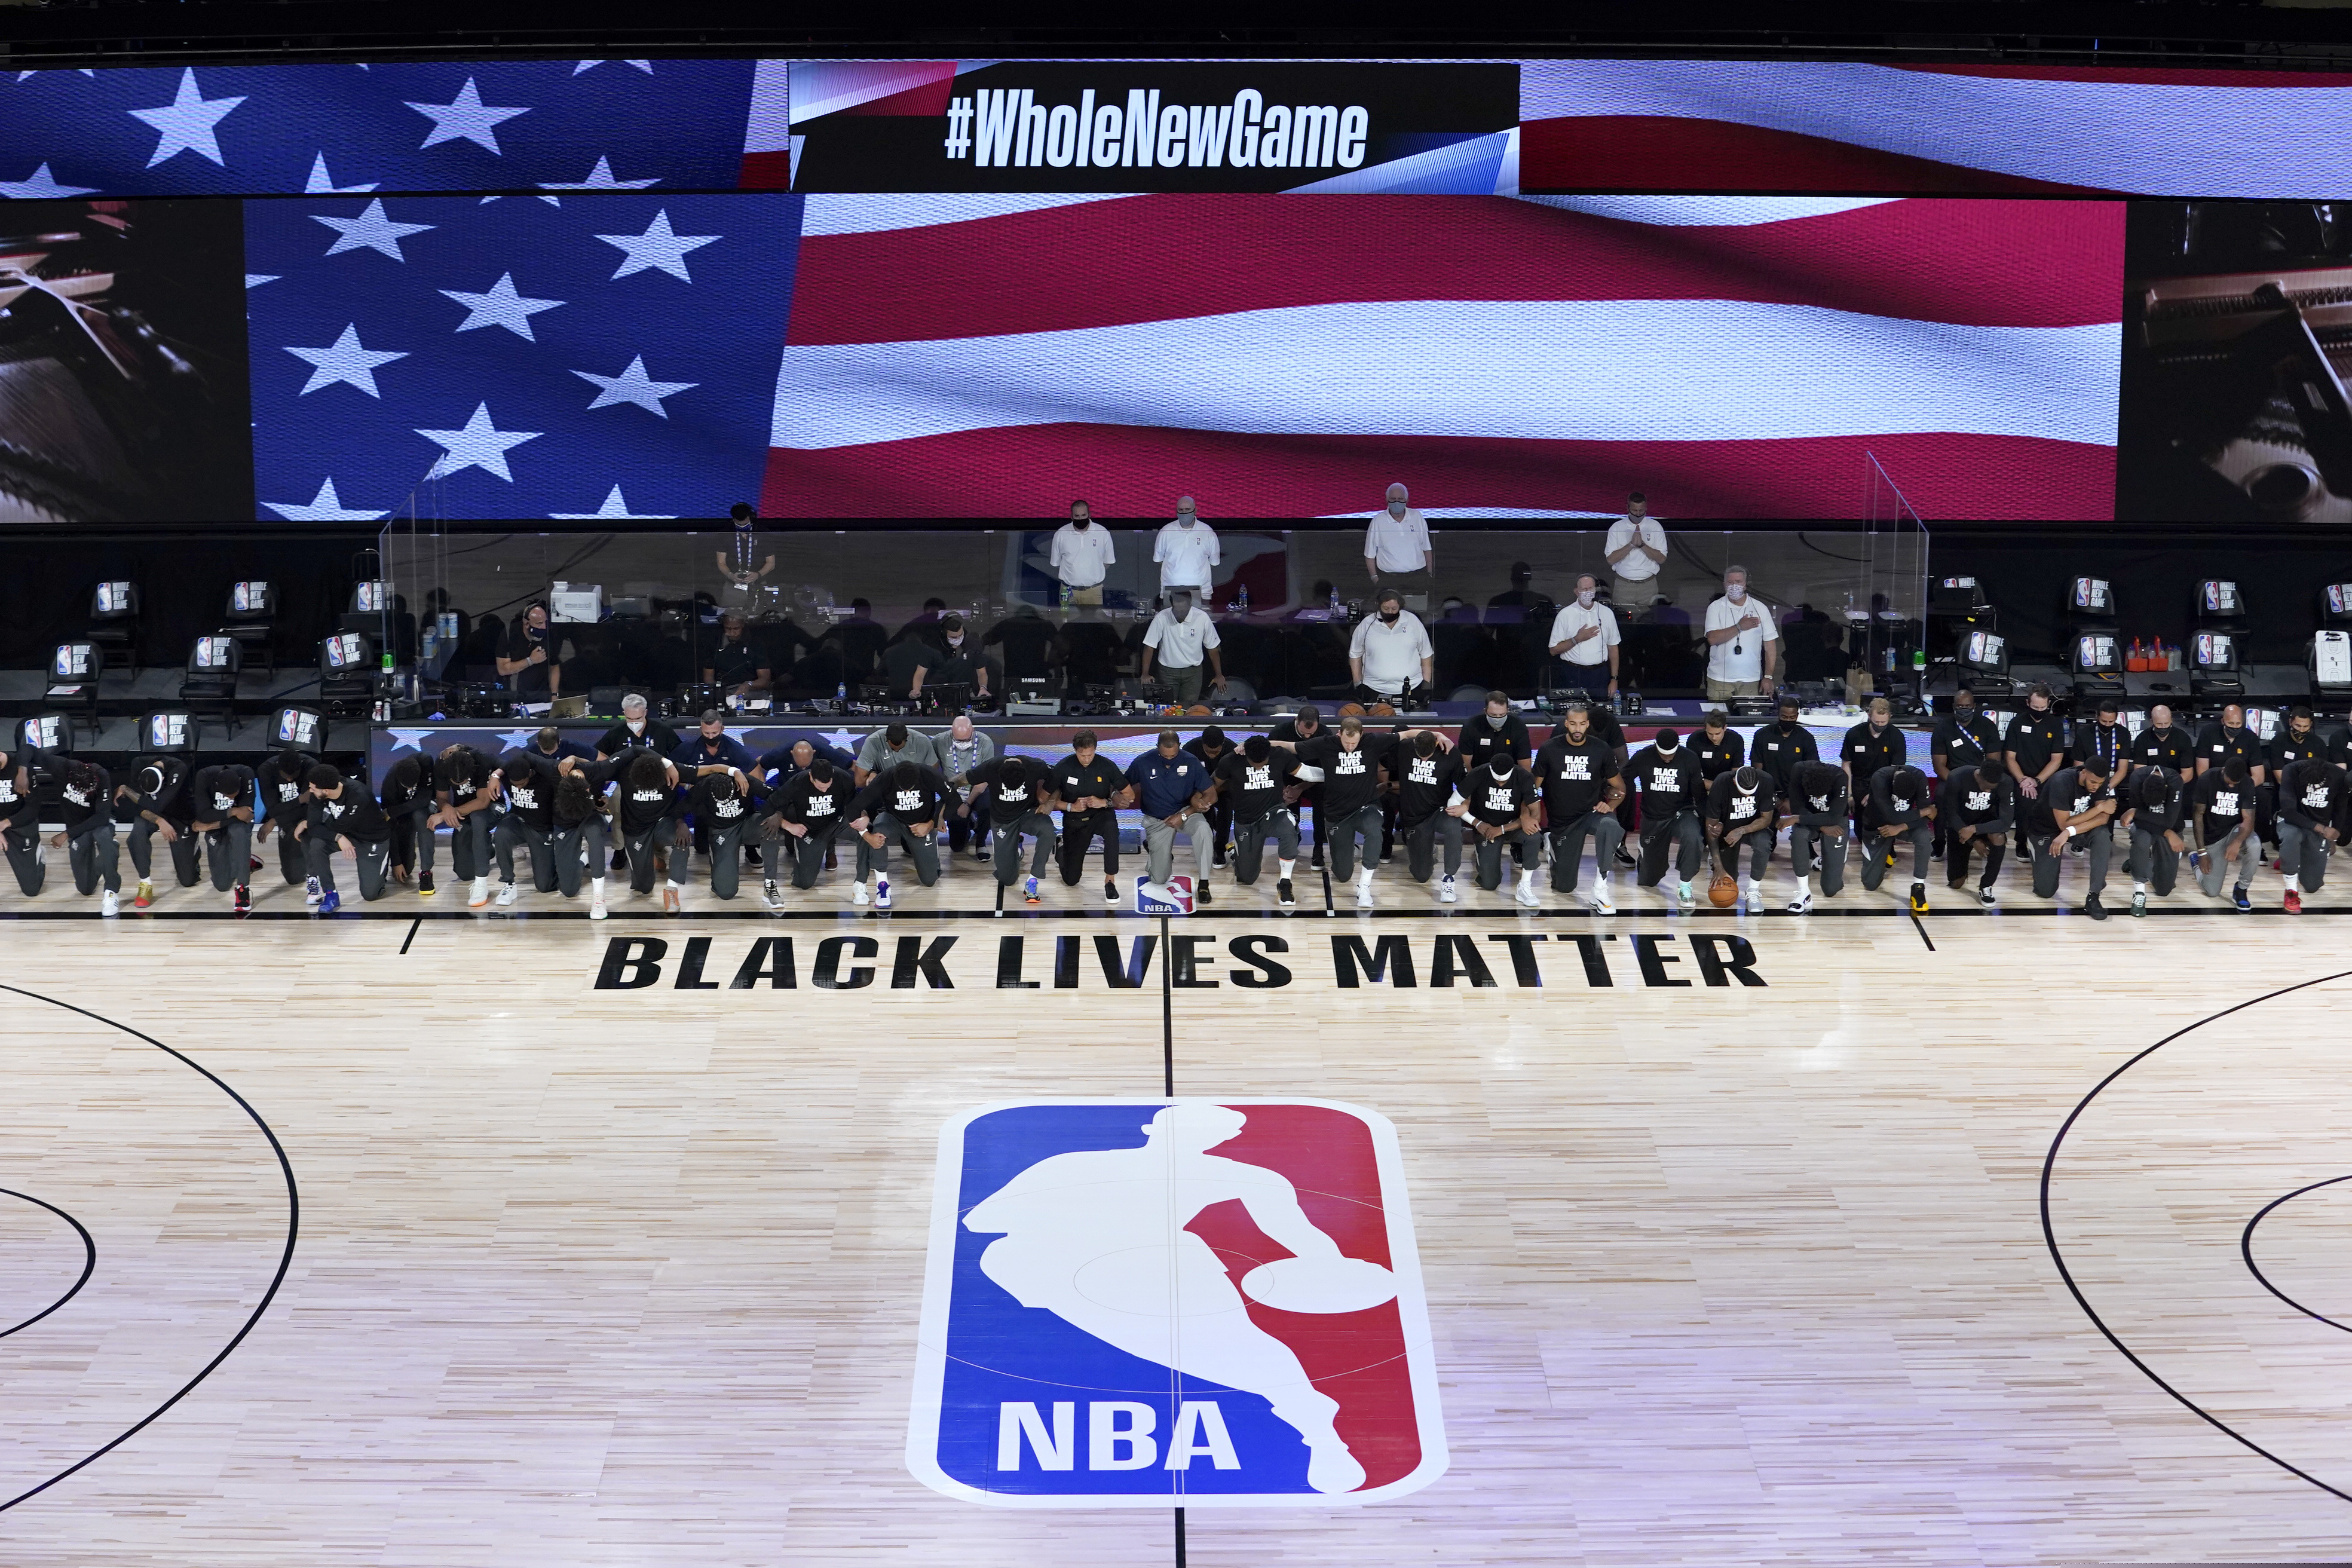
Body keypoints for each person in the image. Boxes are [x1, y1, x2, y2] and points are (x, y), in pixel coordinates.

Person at [1279, 713, 1395, 907]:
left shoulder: (1372, 742)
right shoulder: (1326, 744)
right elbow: (1291, 746)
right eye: (1347, 743)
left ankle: (1364, 887)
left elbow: (1407, 735)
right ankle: (1348, 850)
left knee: (1375, 831)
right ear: (1339, 734)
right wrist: (1254, 745)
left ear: (1361, 735)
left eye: (1354, 743)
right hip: (1337, 815)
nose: (1350, 747)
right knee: (1342, 875)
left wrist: (1438, 736)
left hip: (1366, 806)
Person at [1534, 699, 1625, 913]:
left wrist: (1610, 805)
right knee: (1564, 888)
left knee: (1611, 827)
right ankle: (1553, 848)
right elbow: (1532, 787)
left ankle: (1600, 887)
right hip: (1564, 821)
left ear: (1588, 724)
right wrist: (1532, 814)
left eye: (1582, 724)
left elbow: (1620, 788)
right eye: (1573, 724)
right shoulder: (1550, 749)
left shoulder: (1600, 749)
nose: (1577, 729)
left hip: (1591, 813)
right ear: (1566, 724)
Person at [1125, 730, 1218, 905]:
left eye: (1174, 755)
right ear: (1157, 748)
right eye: (1165, 755)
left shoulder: (1191, 761)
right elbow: (1123, 784)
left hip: (1185, 812)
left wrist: (1189, 812)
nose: (1169, 759)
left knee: (1204, 830)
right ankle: (1155, 852)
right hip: (1157, 819)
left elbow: (1212, 795)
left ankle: (1204, 883)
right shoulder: (1143, 762)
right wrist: (1118, 796)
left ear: (1179, 747)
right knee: (1159, 880)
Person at [846, 760, 947, 908]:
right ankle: (883, 887)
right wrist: (867, 835)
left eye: (910, 789)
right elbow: (854, 807)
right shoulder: (886, 777)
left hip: (921, 824)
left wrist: (932, 823)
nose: (907, 792)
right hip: (893, 819)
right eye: (903, 789)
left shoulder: (929, 774)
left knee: (930, 880)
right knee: (878, 833)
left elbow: (953, 799)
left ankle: (931, 847)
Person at [2025, 755, 2117, 918]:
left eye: (2100, 784)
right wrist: (2099, 808)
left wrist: (2069, 833)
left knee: (2103, 836)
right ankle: (2033, 847)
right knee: (2046, 891)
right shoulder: (2062, 781)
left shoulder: (2101, 780)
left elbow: (2104, 819)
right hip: (2046, 829)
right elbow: (2064, 824)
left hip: (2072, 829)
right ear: (2083, 773)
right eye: (2093, 782)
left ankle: (2094, 896)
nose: (2096, 787)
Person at [1215, 735, 1301, 907]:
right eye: (1256, 764)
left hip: (1273, 812)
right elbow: (1213, 785)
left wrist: (1329, 775)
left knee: (1288, 830)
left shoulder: (1280, 755)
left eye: (1263, 763)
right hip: (1246, 820)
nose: (1260, 767)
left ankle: (1285, 883)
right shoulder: (1230, 761)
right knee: (1247, 878)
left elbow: (1304, 771)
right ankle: (1235, 852)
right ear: (1247, 756)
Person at [30, 751, 120, 915]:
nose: (87, 795)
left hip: (98, 822)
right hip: (78, 826)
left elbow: (101, 817)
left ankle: (111, 892)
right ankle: (105, 858)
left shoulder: (101, 775)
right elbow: (29, 749)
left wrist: (66, 834)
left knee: (105, 839)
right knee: (85, 888)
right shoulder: (60, 766)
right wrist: (22, 770)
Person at [964, 753, 1058, 904]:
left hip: (1028, 813)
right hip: (1003, 821)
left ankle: (1033, 881)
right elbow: (965, 778)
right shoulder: (991, 766)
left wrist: (1051, 801)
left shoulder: (1036, 765)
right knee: (1007, 879)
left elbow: (1058, 778)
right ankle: (1016, 847)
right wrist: (949, 785)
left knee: (1048, 831)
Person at [759, 754, 855, 898]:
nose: (824, 791)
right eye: (820, 787)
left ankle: (865, 882)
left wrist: (863, 818)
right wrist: (788, 825)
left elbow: (855, 804)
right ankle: (802, 859)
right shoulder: (798, 782)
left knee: (869, 832)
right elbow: (769, 806)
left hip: (837, 823)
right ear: (811, 777)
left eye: (827, 786)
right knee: (805, 883)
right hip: (810, 830)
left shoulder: (843, 777)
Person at [302, 765, 393, 912]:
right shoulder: (319, 794)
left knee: (370, 895)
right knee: (316, 842)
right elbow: (314, 827)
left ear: (326, 791)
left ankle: (381, 868)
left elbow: (339, 825)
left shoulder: (358, 794)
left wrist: (336, 834)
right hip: (345, 834)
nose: (310, 790)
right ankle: (330, 894)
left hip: (372, 839)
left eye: (313, 788)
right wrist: (338, 837)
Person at [1630, 726, 1704, 905]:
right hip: (1654, 816)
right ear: (1656, 746)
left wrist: (1707, 820)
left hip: (1682, 812)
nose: (1668, 758)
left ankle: (1685, 886)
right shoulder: (1642, 756)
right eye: (1664, 755)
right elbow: (1622, 779)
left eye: (1671, 754)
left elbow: (1699, 793)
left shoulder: (1690, 758)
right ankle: (1645, 853)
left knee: (1693, 837)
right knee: (1649, 881)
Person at [1051, 730, 1127, 902]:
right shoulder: (1064, 767)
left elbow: (1129, 795)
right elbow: (1043, 799)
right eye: (1081, 755)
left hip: (1100, 816)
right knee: (1071, 881)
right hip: (1074, 821)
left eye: (1090, 755)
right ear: (1075, 750)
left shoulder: (1106, 765)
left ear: (1096, 749)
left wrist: (1106, 802)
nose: (1086, 759)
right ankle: (1061, 849)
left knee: (1112, 829)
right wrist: (1070, 806)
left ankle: (1110, 881)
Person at [1930, 690, 2003, 862]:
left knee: (1997, 794)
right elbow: (1939, 766)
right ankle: (1940, 842)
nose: (1964, 709)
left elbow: (1994, 762)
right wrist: (1958, 784)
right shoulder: (1943, 728)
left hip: (1981, 779)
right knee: (1940, 796)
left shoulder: (1987, 726)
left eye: (1968, 706)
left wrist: (1981, 783)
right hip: (1952, 778)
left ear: (1974, 707)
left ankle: (1988, 838)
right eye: (1960, 706)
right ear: (1954, 707)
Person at [427, 743, 504, 908]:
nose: (460, 785)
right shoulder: (442, 763)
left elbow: (483, 802)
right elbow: (442, 798)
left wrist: (446, 814)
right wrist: (446, 808)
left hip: (491, 808)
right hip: (463, 812)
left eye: (464, 781)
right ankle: (488, 846)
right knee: (464, 873)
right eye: (456, 782)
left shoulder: (482, 760)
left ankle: (481, 884)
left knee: (478, 818)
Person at [1462, 749, 1542, 906]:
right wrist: (1477, 823)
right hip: (1486, 828)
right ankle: (1485, 858)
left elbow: (1536, 815)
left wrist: (1508, 826)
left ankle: (1525, 886)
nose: (1500, 785)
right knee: (1489, 884)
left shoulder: (1524, 776)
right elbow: (1461, 802)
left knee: (1534, 835)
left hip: (1512, 826)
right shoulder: (1478, 774)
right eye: (1497, 781)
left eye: (1504, 782)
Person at [117, 755, 196, 907]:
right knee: (136, 834)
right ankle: (145, 883)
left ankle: (194, 853)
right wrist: (159, 821)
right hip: (156, 814)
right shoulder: (138, 764)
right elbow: (139, 806)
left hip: (180, 814)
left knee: (187, 880)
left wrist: (126, 790)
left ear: (164, 778)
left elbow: (157, 805)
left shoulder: (179, 768)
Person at [680, 764, 765, 904]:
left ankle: (770, 883)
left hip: (745, 824)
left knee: (771, 826)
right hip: (722, 831)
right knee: (726, 892)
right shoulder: (706, 785)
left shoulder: (746, 780)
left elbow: (774, 796)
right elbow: (682, 808)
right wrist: (681, 823)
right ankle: (718, 860)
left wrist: (778, 817)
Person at [489, 746, 563, 907]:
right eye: (516, 785)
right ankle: (509, 884)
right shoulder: (507, 773)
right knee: (501, 834)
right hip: (519, 821)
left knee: (545, 887)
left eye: (522, 784)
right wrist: (495, 776)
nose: (520, 788)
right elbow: (486, 756)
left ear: (530, 774)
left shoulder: (547, 777)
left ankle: (578, 859)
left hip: (542, 830)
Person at [1858, 762, 1936, 913]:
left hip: (1901, 826)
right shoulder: (1880, 777)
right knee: (1870, 884)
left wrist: (1901, 827)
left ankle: (1918, 888)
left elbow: (1930, 817)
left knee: (1924, 837)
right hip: (1878, 827)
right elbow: (1891, 816)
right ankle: (1884, 853)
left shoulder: (1919, 777)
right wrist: (1922, 812)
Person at [2274, 750, 2345, 914]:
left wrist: (2333, 837)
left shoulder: (2339, 776)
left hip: (2319, 827)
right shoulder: (2291, 770)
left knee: (2312, 886)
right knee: (2292, 836)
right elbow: (2289, 811)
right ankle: (2291, 892)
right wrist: (2321, 829)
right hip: (2292, 822)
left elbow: (2341, 808)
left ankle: (2288, 858)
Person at [1702, 763, 1777, 914]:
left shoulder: (1766, 780)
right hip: (1727, 830)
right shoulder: (1722, 782)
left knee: (1763, 843)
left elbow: (1766, 819)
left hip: (1753, 827)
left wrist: (1742, 830)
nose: (1748, 796)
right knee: (1728, 879)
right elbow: (1711, 828)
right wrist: (1718, 866)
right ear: (1735, 782)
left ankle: (1753, 892)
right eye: (1744, 793)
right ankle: (1716, 860)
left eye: (1751, 793)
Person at [546, 760, 615, 918]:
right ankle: (583, 859)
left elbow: (628, 755)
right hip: (566, 824)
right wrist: (496, 774)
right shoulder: (552, 770)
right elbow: (526, 756)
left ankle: (598, 898)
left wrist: (575, 757)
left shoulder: (595, 769)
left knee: (593, 832)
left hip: (592, 818)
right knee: (569, 891)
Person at [186, 758, 258, 912]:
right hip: (218, 825)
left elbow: (246, 816)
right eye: (228, 795)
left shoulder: (246, 773)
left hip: (232, 825)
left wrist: (211, 824)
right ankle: (244, 859)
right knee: (222, 885)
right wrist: (233, 811)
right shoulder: (204, 777)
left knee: (238, 832)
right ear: (217, 788)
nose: (232, 798)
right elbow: (203, 815)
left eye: (235, 795)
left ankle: (243, 890)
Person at [1780, 758, 1851, 914]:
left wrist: (1798, 819)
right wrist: (1821, 827)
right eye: (1814, 796)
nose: (1818, 800)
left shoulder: (1840, 777)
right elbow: (1799, 808)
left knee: (1831, 889)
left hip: (1835, 823)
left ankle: (1824, 861)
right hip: (1812, 818)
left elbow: (1834, 816)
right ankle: (1803, 892)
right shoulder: (1798, 770)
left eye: (1821, 796)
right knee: (1799, 835)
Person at [1941, 760, 2014, 906]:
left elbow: (2006, 822)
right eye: (1986, 787)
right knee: (1956, 883)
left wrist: (1975, 829)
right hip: (1960, 826)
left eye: (1992, 789)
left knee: (1998, 837)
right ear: (1979, 776)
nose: (1988, 791)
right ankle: (1961, 870)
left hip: (1986, 825)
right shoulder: (1957, 777)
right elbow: (1950, 814)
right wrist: (1973, 841)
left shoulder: (2005, 782)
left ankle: (1986, 886)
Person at [2189, 757, 2258, 908]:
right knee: (2212, 892)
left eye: (2235, 784)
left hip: (2235, 830)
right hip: (2214, 835)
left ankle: (2241, 889)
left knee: (2255, 845)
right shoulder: (2207, 779)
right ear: (2223, 771)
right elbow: (2198, 816)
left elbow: (2248, 819)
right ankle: (2195, 861)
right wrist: (2201, 852)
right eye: (2229, 782)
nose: (2232, 786)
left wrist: (2237, 842)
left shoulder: (2247, 782)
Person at [1701, 566, 1777, 702]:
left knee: (1748, 721)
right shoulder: (1716, 608)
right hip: (1720, 680)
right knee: (1718, 720)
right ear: (1724, 585)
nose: (1734, 586)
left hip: (1751, 681)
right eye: (1730, 583)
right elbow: (1712, 639)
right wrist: (1740, 626)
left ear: (1745, 585)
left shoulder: (1760, 608)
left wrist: (1768, 677)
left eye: (1738, 582)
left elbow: (1770, 646)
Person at [1269, 706, 1331, 867]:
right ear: (1296, 721)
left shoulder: (1326, 734)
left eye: (1311, 734)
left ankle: (1319, 848)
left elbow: (1327, 772)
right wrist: (1283, 788)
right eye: (1303, 733)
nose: (1307, 736)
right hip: (1285, 781)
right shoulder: (1279, 732)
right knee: (1288, 809)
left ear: (1319, 723)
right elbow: (1270, 766)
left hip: (1314, 782)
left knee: (1323, 796)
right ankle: (1292, 843)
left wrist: (1301, 788)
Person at [1140, 590, 1225, 706]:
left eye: (1184, 611)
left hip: (1193, 673)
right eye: (1177, 611)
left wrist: (1219, 675)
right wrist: (1145, 673)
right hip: (1167, 672)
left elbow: (1213, 648)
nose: (1180, 614)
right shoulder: (1162, 617)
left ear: (1190, 605)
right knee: (1167, 708)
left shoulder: (1202, 617)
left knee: (1188, 708)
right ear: (1172, 606)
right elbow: (1149, 646)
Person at [2123, 762, 2186, 917]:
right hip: (2147, 829)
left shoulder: (2175, 781)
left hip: (2170, 829)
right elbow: (2137, 822)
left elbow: (2169, 821)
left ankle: (2137, 861)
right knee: (2141, 840)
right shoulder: (2137, 778)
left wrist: (2136, 811)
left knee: (2164, 890)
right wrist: (2167, 832)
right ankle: (2139, 893)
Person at [1349, 590, 1433, 706]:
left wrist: (1426, 684)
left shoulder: (1413, 621)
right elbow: (1355, 654)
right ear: (1379, 607)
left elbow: (1426, 654)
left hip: (1412, 688)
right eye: (1386, 609)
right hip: (1373, 689)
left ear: (1400, 607)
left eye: (1394, 609)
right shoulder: (1367, 624)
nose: (1390, 612)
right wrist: (1358, 683)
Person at [255, 747, 319, 895]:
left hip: (305, 817)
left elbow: (309, 808)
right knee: (293, 878)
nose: (290, 779)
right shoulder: (266, 770)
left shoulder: (312, 767)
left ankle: (314, 874)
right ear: (279, 769)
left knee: (309, 828)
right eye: (286, 776)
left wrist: (274, 821)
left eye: (293, 776)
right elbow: (273, 810)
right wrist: (300, 799)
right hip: (287, 819)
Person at [1546, 574, 1622, 697]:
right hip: (1573, 674)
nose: (1588, 593)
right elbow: (1553, 650)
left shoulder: (1607, 613)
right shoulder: (1566, 615)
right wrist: (1577, 639)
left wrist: (1614, 679)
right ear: (1577, 591)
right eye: (1584, 589)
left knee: (1599, 711)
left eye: (1591, 589)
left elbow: (1613, 648)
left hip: (1600, 675)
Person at [936, 716, 997, 860]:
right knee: (957, 847)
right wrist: (940, 814)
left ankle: (981, 843)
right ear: (951, 732)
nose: (962, 743)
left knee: (988, 804)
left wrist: (968, 804)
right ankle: (970, 823)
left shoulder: (985, 742)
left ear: (973, 731)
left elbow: (986, 777)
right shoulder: (939, 741)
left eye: (966, 740)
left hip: (979, 788)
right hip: (954, 792)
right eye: (958, 740)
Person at [1363, 483, 1434, 609]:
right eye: (1393, 499)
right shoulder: (1378, 521)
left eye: (1400, 499)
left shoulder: (1417, 517)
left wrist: (1429, 574)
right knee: (1389, 614)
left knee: (1419, 614)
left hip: (1417, 577)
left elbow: (1427, 548)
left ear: (1407, 500)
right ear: (1387, 500)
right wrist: (1375, 578)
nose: (1397, 502)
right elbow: (1370, 554)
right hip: (1389, 580)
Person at [379, 752, 439, 895]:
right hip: (402, 816)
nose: (411, 789)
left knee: (422, 818)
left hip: (424, 807)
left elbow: (423, 800)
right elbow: (389, 823)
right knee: (405, 868)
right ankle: (405, 853)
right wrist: (396, 862)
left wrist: (393, 811)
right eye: (407, 787)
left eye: (414, 786)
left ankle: (426, 873)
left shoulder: (425, 762)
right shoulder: (389, 783)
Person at [2004, 682, 2068, 815]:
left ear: (2048, 705)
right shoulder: (2016, 723)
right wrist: (2022, 780)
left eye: (2042, 708)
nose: (2039, 711)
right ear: (2028, 703)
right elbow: (2010, 757)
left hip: (2045, 779)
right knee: (2024, 802)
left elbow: (2056, 760)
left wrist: (2037, 781)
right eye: (2035, 707)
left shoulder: (2055, 725)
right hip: (2020, 777)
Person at [1183, 727, 1238, 864]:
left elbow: (1234, 779)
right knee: (1205, 816)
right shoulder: (1190, 749)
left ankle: (1219, 850)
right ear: (1203, 744)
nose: (1212, 755)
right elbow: (1185, 778)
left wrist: (1211, 794)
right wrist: (1198, 797)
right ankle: (1207, 847)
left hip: (1223, 790)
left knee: (1226, 812)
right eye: (1208, 752)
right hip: (1198, 792)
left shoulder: (1233, 751)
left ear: (1223, 744)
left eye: (1216, 752)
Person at [1751, 693, 1820, 803]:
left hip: (1798, 796)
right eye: (1784, 717)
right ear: (1778, 714)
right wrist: (1772, 797)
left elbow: (1811, 772)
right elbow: (1758, 770)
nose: (1788, 720)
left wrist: (1792, 798)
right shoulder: (1762, 735)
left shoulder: (1807, 738)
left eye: (1792, 718)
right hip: (1767, 795)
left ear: (1797, 716)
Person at [1840, 696, 1906, 806]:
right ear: (1869, 716)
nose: (1879, 725)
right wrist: (1849, 795)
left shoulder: (1897, 737)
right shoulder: (1854, 734)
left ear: (1890, 717)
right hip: (1859, 787)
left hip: (1884, 788)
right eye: (1876, 722)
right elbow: (1846, 765)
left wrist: (1877, 793)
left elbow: (1895, 770)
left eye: (1883, 722)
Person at [1048, 500, 1115, 608]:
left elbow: (1108, 562)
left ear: (1089, 514)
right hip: (1068, 591)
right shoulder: (1061, 534)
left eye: (1083, 515)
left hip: (1094, 591)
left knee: (1095, 625)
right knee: (1066, 624)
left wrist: (1092, 575)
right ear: (1072, 516)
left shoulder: (1102, 533)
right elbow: (1056, 563)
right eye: (1077, 516)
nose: (1080, 519)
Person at [1154, 497, 1221, 602]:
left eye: (1187, 509)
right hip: (1171, 592)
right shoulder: (1166, 531)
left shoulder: (1207, 532)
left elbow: (1214, 562)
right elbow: (1158, 560)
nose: (1184, 513)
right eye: (1181, 510)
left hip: (1202, 593)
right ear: (1176, 511)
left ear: (1195, 510)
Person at [984, 603, 1059, 690]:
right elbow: (1061, 645)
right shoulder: (1044, 625)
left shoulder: (1007, 625)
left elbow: (985, 640)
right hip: (1037, 675)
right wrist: (1053, 664)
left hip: (1014, 676)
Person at [496, 599, 561, 699]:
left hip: (541, 693)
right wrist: (531, 661)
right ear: (527, 624)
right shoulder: (510, 635)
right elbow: (502, 669)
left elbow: (554, 666)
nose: (543, 627)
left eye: (545, 622)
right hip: (515, 694)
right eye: (539, 623)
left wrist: (554, 694)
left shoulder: (548, 635)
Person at [0, 747, 42, 899]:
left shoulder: (20, 769)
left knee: (31, 890)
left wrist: (6, 823)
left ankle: (39, 856)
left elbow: (33, 808)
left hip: (21, 823)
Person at [715, 501, 776, 605]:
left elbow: (771, 563)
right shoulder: (725, 533)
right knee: (730, 615)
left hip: (758, 585)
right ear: (733, 520)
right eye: (739, 524)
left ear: (751, 518)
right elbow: (721, 562)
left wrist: (758, 575)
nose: (742, 526)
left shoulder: (762, 532)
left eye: (745, 524)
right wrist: (730, 575)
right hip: (733, 586)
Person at [1457, 691, 1531, 776]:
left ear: (1508, 711)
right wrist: (1472, 781)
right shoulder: (1471, 725)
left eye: (1502, 715)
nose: (1498, 718)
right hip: (1479, 775)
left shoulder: (1518, 726)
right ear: (1485, 711)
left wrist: (1526, 783)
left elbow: (1524, 762)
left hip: (1510, 777)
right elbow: (1465, 762)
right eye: (1493, 715)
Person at [1603, 492, 1667, 589]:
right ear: (1628, 508)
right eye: (1635, 510)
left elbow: (1662, 559)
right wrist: (1631, 545)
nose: (1638, 514)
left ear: (1646, 508)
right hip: (1623, 584)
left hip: (1649, 584)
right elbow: (1611, 560)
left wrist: (1642, 545)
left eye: (1641, 511)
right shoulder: (1617, 527)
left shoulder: (1655, 526)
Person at [853, 719, 941, 788]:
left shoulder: (922, 741)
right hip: (885, 791)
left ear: (908, 736)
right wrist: (874, 774)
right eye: (892, 748)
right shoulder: (873, 741)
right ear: (886, 738)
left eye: (901, 748)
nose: (896, 751)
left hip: (915, 789)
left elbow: (931, 775)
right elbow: (859, 782)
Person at [703, 612, 773, 698]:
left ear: (743, 626)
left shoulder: (755, 645)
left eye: (736, 628)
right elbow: (708, 677)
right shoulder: (715, 644)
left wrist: (750, 684)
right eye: (728, 628)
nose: (732, 633)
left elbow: (765, 680)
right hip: (724, 690)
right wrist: (718, 692)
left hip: (751, 690)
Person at [2072, 697, 2133, 793]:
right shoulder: (2084, 734)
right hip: (2089, 783)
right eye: (2104, 721)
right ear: (2097, 717)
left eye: (2111, 722)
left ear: (2116, 718)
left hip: (2112, 782)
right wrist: (2093, 786)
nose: (2107, 725)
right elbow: (2079, 767)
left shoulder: (2123, 733)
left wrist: (2106, 789)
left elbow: (2122, 769)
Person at [2133, 703, 2194, 783]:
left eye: (2166, 723)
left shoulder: (2183, 738)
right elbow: (2140, 771)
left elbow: (2188, 773)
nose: (2163, 727)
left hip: (2176, 783)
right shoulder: (2142, 739)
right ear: (2152, 722)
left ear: (2172, 720)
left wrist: (2171, 785)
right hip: (2151, 785)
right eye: (2159, 724)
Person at [1689, 710, 1745, 785]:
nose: (1714, 738)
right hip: (1701, 785)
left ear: (1725, 728)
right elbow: (1692, 773)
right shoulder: (1695, 740)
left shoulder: (1736, 740)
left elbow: (1736, 771)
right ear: (1705, 729)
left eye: (1717, 734)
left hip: (1727, 785)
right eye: (1710, 734)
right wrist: (1715, 787)